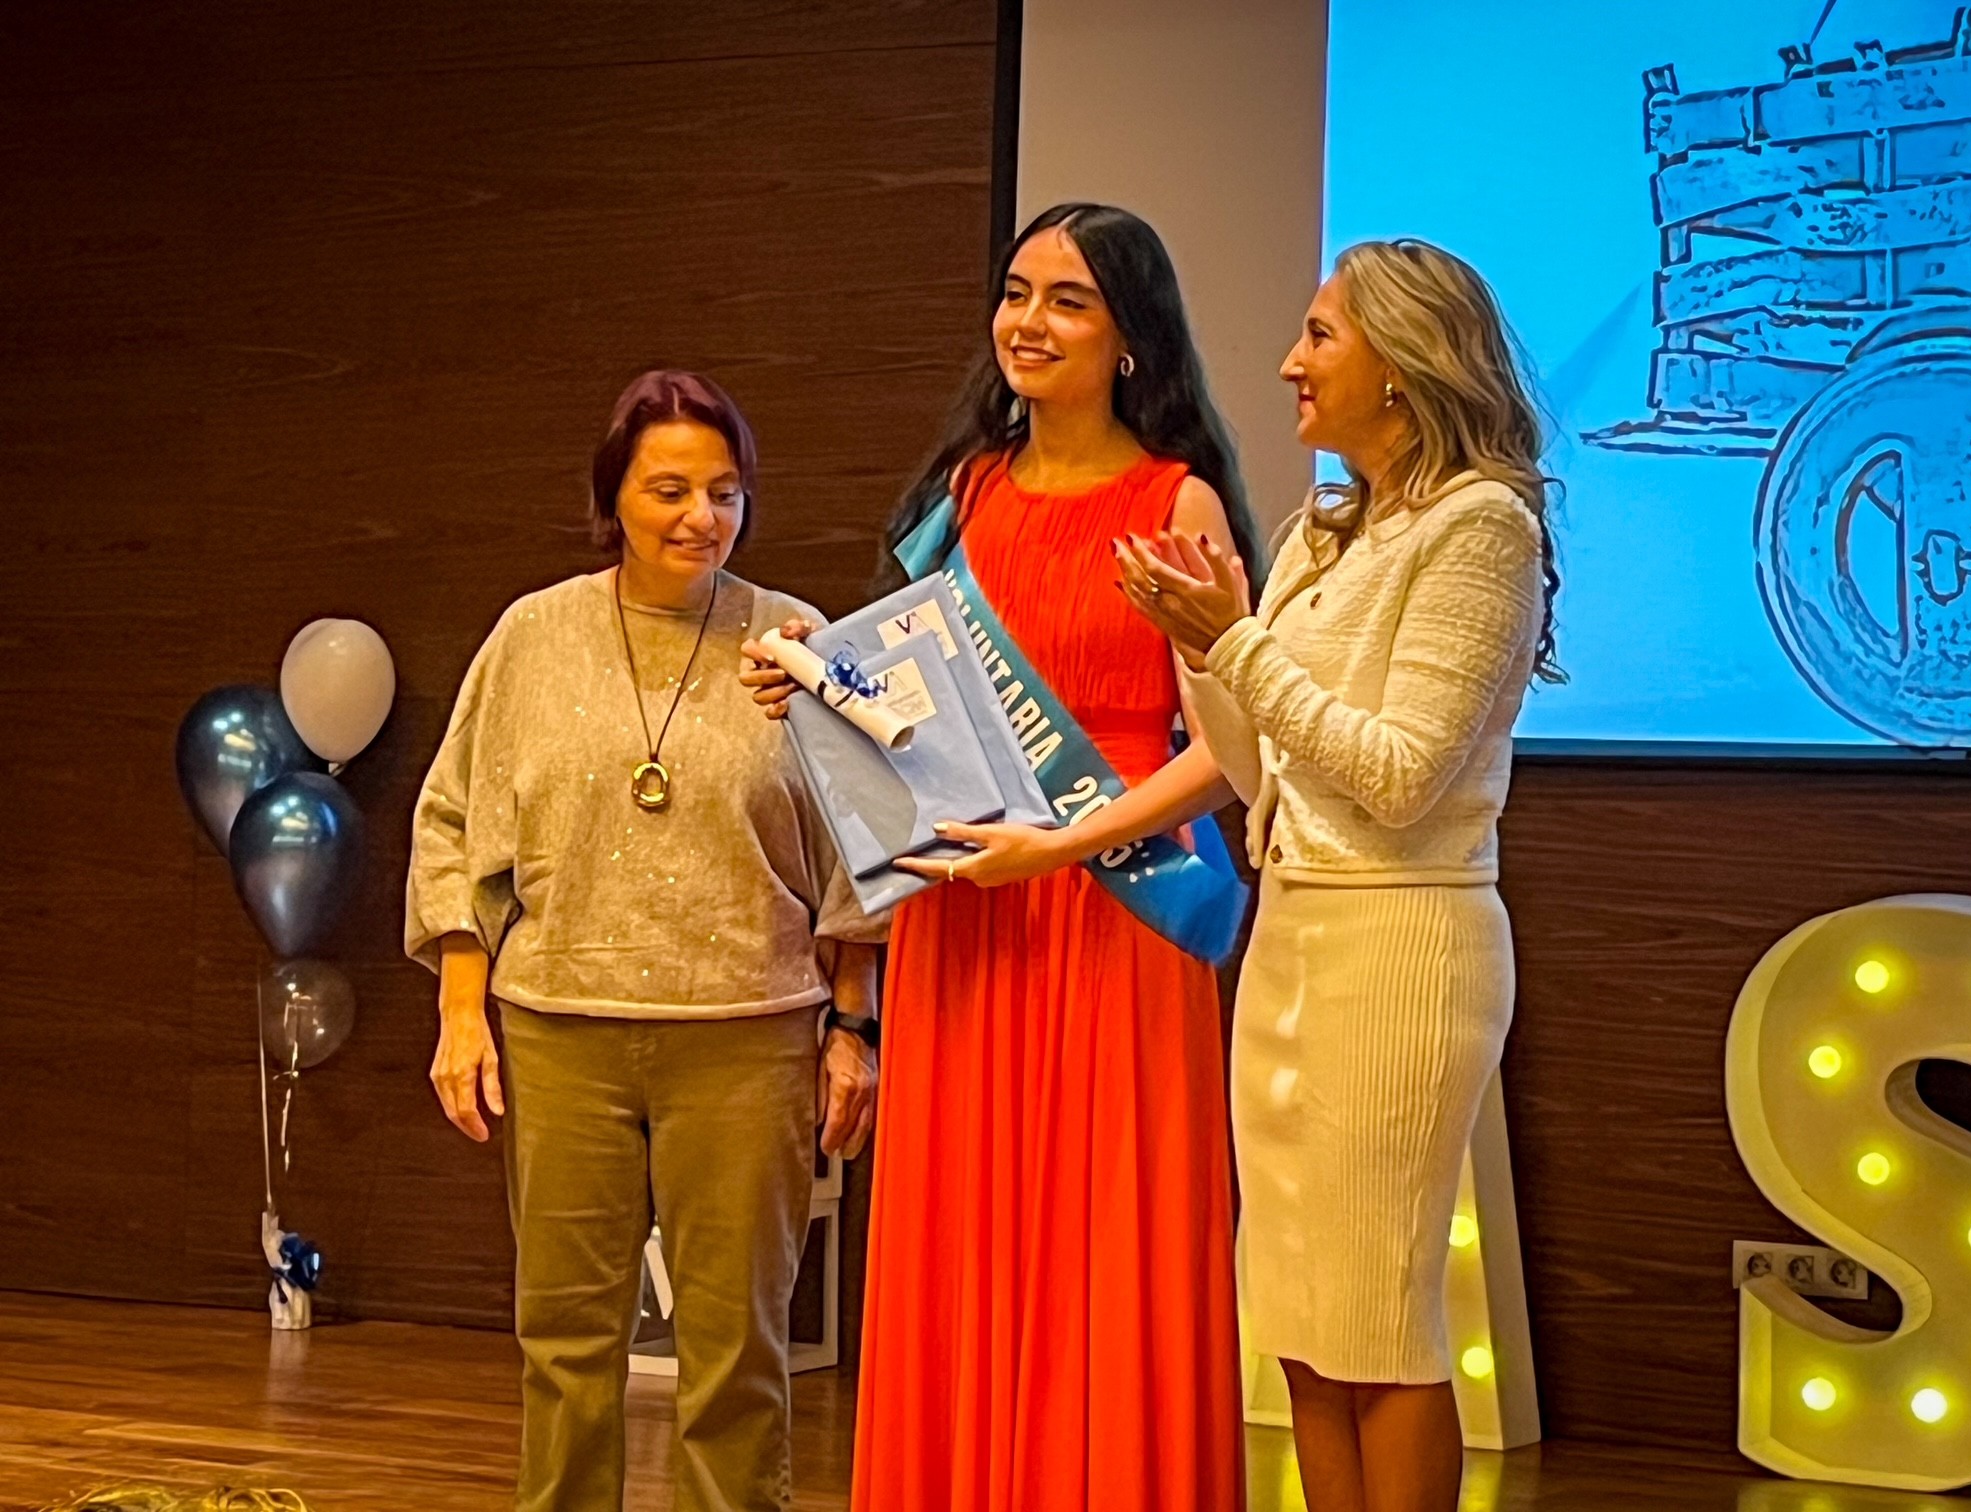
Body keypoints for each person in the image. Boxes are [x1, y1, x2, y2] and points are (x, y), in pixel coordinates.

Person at [746, 203, 1263, 1512]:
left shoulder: (1177, 503)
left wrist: (1068, 842)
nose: (1028, 322)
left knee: (1105, 1232)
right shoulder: (959, 497)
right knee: (965, 1229)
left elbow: (1232, 750)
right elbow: (914, 714)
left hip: (1114, 908)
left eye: (1068, 301)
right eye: (1017, 292)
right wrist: (815, 687)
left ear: (1132, 339)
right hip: (967, 906)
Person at [1116, 238, 1561, 1512]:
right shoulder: (1325, 528)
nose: (1288, 363)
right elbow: (1257, 763)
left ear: (1405, 366)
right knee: (1302, 1323)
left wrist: (1237, 643)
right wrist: (1197, 644)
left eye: (1320, 335)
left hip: (1401, 944)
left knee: (1378, 1319)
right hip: (1293, 932)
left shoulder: (1481, 527)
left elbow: (1401, 775)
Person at [406, 369, 885, 1512]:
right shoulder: (533, 636)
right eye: (670, 490)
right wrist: (461, 1010)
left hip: (749, 1037)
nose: (700, 517)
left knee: (740, 1359)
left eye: (725, 492)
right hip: (561, 1033)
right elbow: (454, 822)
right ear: (612, 496)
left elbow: (861, 846)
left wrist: (853, 1029)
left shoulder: (795, 642)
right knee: (564, 1351)